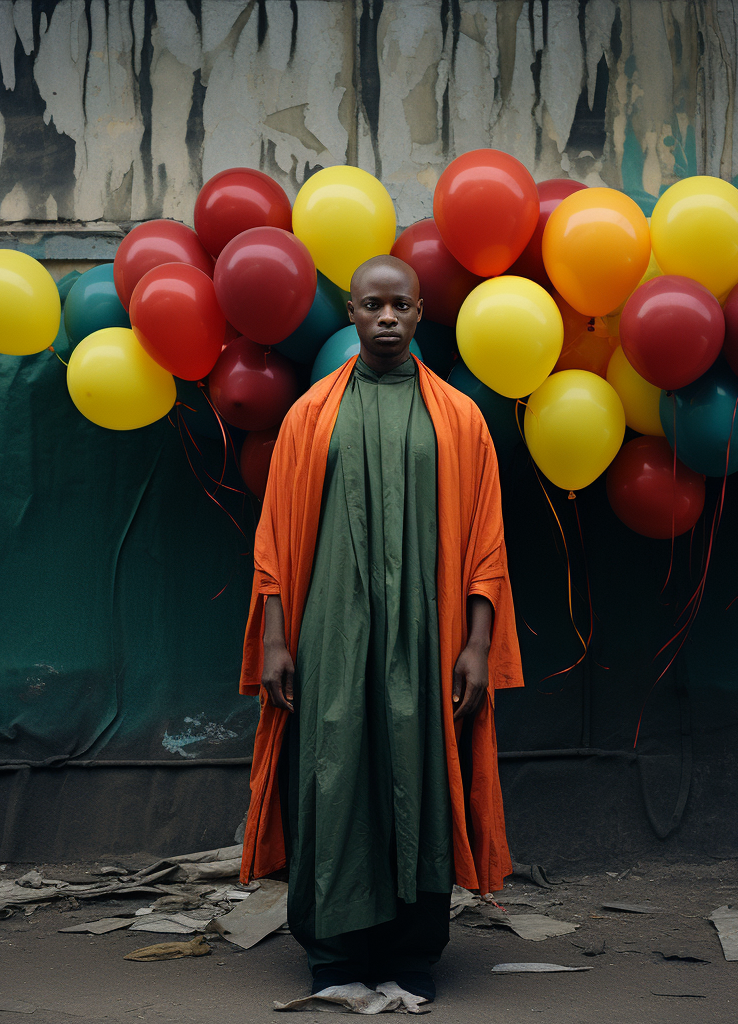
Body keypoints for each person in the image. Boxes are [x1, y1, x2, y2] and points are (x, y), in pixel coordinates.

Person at [237, 255, 523, 1001]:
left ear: (421, 313)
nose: (387, 318)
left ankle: (412, 952)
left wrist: (477, 643)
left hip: (429, 639)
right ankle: (333, 952)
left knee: (421, 774)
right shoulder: (310, 415)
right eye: (372, 305)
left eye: (401, 306)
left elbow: (487, 540)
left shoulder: (459, 418)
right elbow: (274, 539)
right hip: (329, 634)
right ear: (352, 314)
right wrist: (274, 639)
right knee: (333, 773)